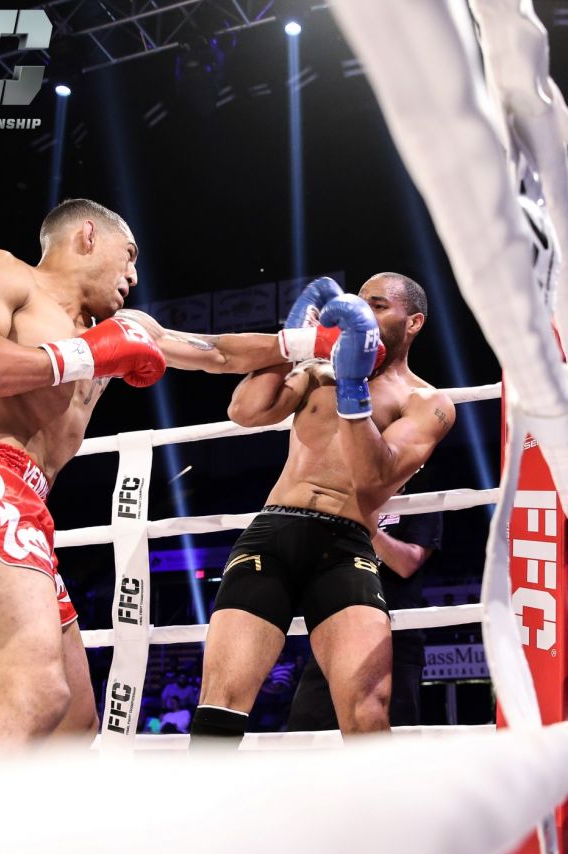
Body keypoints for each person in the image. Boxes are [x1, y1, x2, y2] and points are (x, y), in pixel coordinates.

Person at [0, 198, 318, 759]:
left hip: (28, 501)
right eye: (130, 255)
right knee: (31, 694)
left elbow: (215, 353)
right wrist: (85, 355)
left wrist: (308, 344)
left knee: (73, 719)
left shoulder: (123, 329)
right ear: (88, 236)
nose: (134, 276)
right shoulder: (3, 272)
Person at [189, 273, 455, 744]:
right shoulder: (317, 371)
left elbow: (372, 479)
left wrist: (353, 386)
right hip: (274, 531)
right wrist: (295, 343)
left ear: (413, 322)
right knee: (220, 701)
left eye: (378, 306)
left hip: (346, 543)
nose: (364, 313)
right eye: (361, 303)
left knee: (368, 712)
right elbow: (246, 410)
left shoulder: (427, 402)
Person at [288, 506, 443, 731]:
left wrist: (365, 525)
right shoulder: (345, 503)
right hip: (335, 635)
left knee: (391, 733)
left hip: (392, 638)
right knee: (306, 730)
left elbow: (407, 563)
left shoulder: (420, 502)